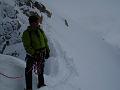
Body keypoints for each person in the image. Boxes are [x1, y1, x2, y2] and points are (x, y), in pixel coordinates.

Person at [22, 15, 50, 90]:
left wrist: (47, 50)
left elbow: (45, 41)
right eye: (37, 22)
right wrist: (34, 53)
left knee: (41, 69)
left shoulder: (40, 30)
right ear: (32, 23)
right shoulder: (27, 33)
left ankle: (41, 84)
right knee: (29, 70)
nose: (38, 23)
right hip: (32, 55)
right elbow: (27, 46)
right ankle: (29, 88)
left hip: (41, 54)